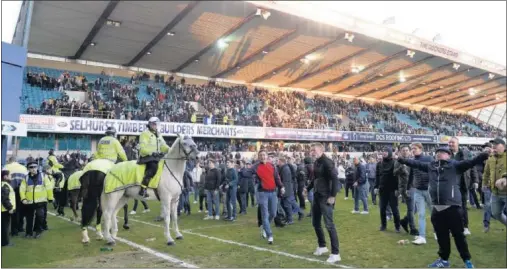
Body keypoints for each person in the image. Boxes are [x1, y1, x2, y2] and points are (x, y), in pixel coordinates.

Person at [397, 147, 489, 268]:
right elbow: (416, 164)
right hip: (437, 207)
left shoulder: (455, 166)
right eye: (437, 153)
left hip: (452, 206)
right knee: (441, 236)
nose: (439, 154)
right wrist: (402, 160)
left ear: (449, 155)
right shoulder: (431, 166)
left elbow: (471, 162)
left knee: (458, 236)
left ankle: (467, 260)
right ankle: (444, 260)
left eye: (443, 153)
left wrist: (484, 155)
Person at [307, 143, 341, 263]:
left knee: (329, 225)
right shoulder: (316, 162)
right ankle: (322, 246)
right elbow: (315, 179)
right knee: (315, 223)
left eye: (314, 150)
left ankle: (336, 253)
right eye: (311, 150)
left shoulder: (327, 162)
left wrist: (332, 196)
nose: (312, 152)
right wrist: (308, 188)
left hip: (326, 197)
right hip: (316, 196)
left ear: (321, 150)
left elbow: (335, 179)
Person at [252, 150, 284, 244]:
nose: (262, 156)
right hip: (262, 193)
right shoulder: (255, 167)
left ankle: (265, 228)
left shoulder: (272, 166)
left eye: (264, 155)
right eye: (260, 155)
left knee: (273, 213)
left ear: (266, 156)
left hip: (273, 192)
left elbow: (277, 178)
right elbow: (247, 172)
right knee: (265, 214)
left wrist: (281, 186)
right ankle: (270, 235)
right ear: (259, 157)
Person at [448, 137, 479, 236]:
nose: (450, 144)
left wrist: (475, 180)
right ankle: (451, 228)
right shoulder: (446, 154)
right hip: (450, 185)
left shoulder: (465, 153)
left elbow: (472, 166)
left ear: (458, 143)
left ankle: (465, 227)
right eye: (449, 143)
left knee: (463, 207)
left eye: (452, 142)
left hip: (463, 184)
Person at [406, 142, 433, 245]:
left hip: (429, 190)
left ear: (420, 149)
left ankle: (437, 232)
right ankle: (422, 236)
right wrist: (408, 188)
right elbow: (411, 175)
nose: (413, 150)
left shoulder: (429, 159)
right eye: (412, 148)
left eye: (415, 148)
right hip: (417, 190)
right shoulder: (412, 161)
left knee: (433, 213)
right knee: (421, 214)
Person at [20, 161, 54, 239]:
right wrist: (23, 199)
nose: (33, 169)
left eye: (35, 167)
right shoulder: (26, 178)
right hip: (29, 202)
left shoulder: (43, 176)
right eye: (31, 167)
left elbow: (49, 187)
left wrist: (50, 198)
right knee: (29, 218)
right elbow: (22, 189)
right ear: (28, 169)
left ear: (37, 167)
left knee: (40, 216)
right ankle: (29, 233)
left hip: (41, 201)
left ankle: (38, 231)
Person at [138, 117, 170, 198]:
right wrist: (152, 153)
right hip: (147, 157)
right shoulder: (144, 134)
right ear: (150, 124)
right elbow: (142, 149)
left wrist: (170, 150)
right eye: (154, 124)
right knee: (153, 167)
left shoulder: (158, 134)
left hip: (156, 157)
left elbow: (163, 146)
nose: (156, 126)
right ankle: (143, 188)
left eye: (157, 124)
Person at [374, 147, 401, 232]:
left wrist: (397, 189)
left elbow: (397, 177)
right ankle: (383, 225)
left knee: (394, 209)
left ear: (389, 152)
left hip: (392, 190)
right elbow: (377, 176)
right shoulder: (379, 164)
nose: (384, 153)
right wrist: (375, 186)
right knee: (382, 209)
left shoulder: (394, 163)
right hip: (382, 190)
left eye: (386, 151)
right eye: (383, 151)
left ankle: (397, 226)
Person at [482, 138, 507, 227]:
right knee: (496, 214)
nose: (494, 148)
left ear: (503, 146)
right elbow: (486, 172)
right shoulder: (491, 158)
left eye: (496, 146)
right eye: (493, 146)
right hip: (495, 193)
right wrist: (484, 183)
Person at [396, 145, 418, 236]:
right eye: (403, 150)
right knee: (411, 208)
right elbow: (394, 172)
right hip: (405, 187)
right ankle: (412, 228)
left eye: (406, 150)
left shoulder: (412, 161)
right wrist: (401, 168)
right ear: (401, 152)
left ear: (409, 151)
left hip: (414, 186)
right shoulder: (398, 161)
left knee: (415, 209)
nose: (405, 152)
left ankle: (404, 221)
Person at [3, 157, 28, 236]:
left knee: (14, 211)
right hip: (22, 191)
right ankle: (20, 227)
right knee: (22, 210)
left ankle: (14, 230)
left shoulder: (6, 167)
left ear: (9, 161)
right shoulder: (23, 168)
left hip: (11, 191)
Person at [279, 157, 304, 224]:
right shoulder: (286, 168)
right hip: (289, 188)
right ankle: (299, 213)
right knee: (291, 202)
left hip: (288, 189)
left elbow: (285, 181)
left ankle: (290, 219)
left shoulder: (285, 169)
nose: (277, 163)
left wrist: (283, 189)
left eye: (278, 161)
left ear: (282, 161)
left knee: (287, 204)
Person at [2, 170, 16, 247]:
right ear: (5, 176)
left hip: (3, 209)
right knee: (5, 227)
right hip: (4, 210)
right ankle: (5, 243)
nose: (11, 177)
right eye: (10, 175)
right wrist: (10, 208)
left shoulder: (4, 185)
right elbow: (4, 198)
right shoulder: (5, 186)